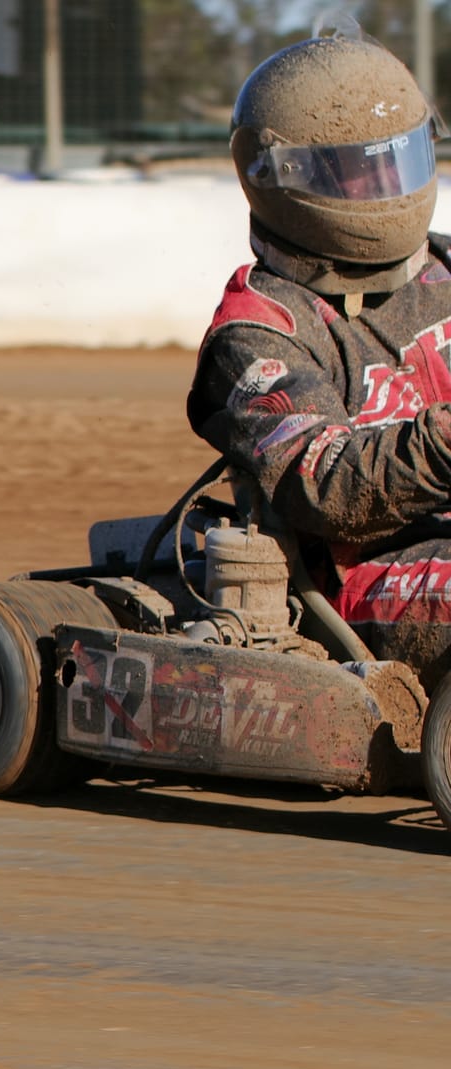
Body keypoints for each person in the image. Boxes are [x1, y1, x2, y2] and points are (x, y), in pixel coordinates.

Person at [188, 29, 451, 688]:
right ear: (285, 178)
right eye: (360, 169)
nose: (386, 187)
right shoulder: (258, 333)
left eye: (398, 162)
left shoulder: (442, 267)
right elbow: (327, 487)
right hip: (358, 579)